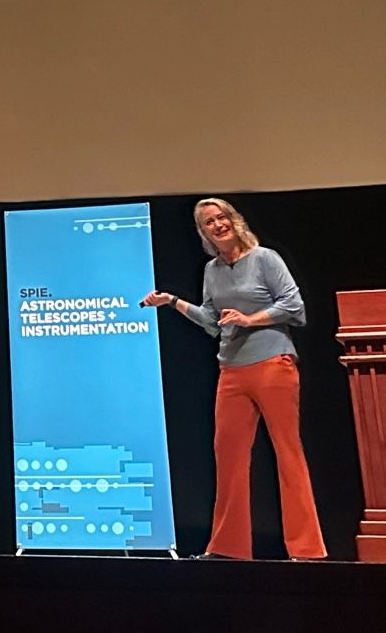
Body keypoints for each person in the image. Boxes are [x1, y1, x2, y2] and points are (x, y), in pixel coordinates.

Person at [142, 197, 326, 561]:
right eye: (208, 222)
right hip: (232, 370)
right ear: (203, 232)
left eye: (221, 217)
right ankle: (228, 549)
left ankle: (307, 550)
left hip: (273, 362)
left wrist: (249, 319)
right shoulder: (212, 270)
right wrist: (173, 302)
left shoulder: (264, 259)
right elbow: (212, 321)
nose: (217, 225)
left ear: (234, 220)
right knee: (227, 456)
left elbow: (294, 307)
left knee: (287, 453)